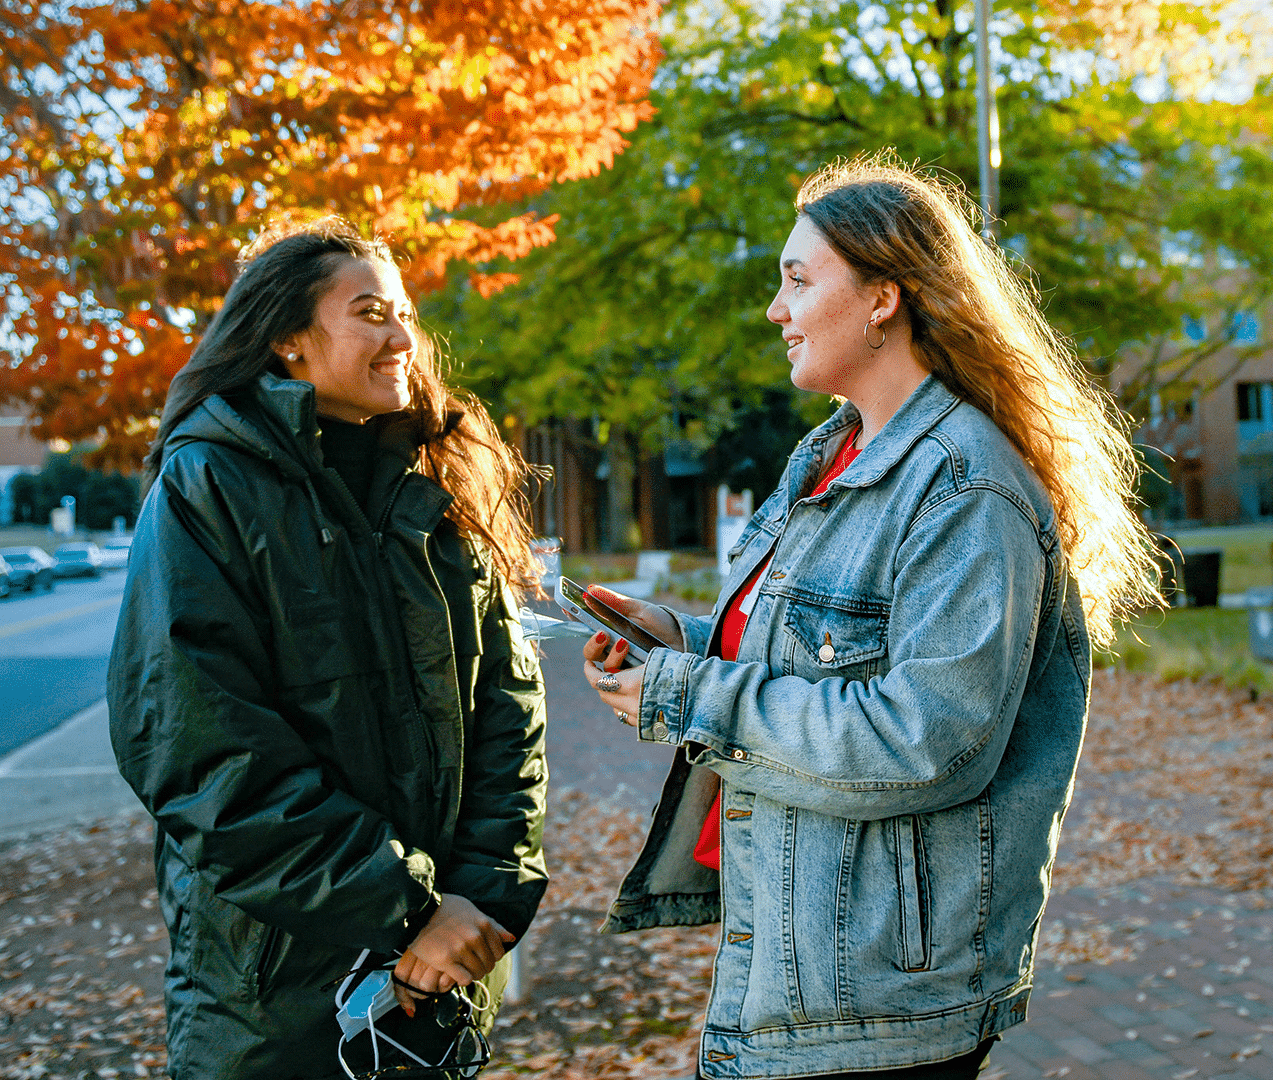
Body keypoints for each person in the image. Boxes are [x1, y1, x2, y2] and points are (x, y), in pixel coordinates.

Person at [580, 158, 1160, 1078]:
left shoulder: (968, 488)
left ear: (883, 298)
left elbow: (928, 741)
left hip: (881, 1001)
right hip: (795, 972)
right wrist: (681, 640)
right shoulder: (826, 457)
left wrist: (691, 694)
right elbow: (819, 649)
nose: (776, 310)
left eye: (798, 280)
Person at [109, 218, 549, 1078]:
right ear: (287, 341)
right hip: (274, 999)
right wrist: (409, 906)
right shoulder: (209, 487)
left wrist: (479, 900)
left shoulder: (434, 489)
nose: (403, 338)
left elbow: (510, 710)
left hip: (436, 983)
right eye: (371, 313)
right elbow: (201, 756)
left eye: (405, 315)